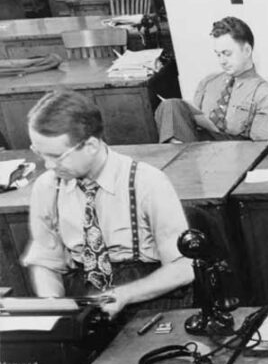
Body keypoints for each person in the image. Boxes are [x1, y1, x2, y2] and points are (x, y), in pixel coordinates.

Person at [22, 90, 193, 317]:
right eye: (40, 153)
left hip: (148, 300)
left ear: (91, 145)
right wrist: (54, 306)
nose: (49, 165)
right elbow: (45, 262)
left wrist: (122, 295)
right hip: (86, 298)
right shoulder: (48, 187)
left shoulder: (147, 182)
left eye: (57, 156)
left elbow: (183, 268)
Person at [155, 17, 268, 143]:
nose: (222, 61)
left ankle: (180, 158)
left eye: (227, 54)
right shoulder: (208, 82)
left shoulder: (264, 94)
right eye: (218, 54)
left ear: (247, 51)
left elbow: (259, 147)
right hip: (200, 150)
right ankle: (178, 154)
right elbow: (192, 124)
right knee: (171, 105)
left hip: (238, 154)